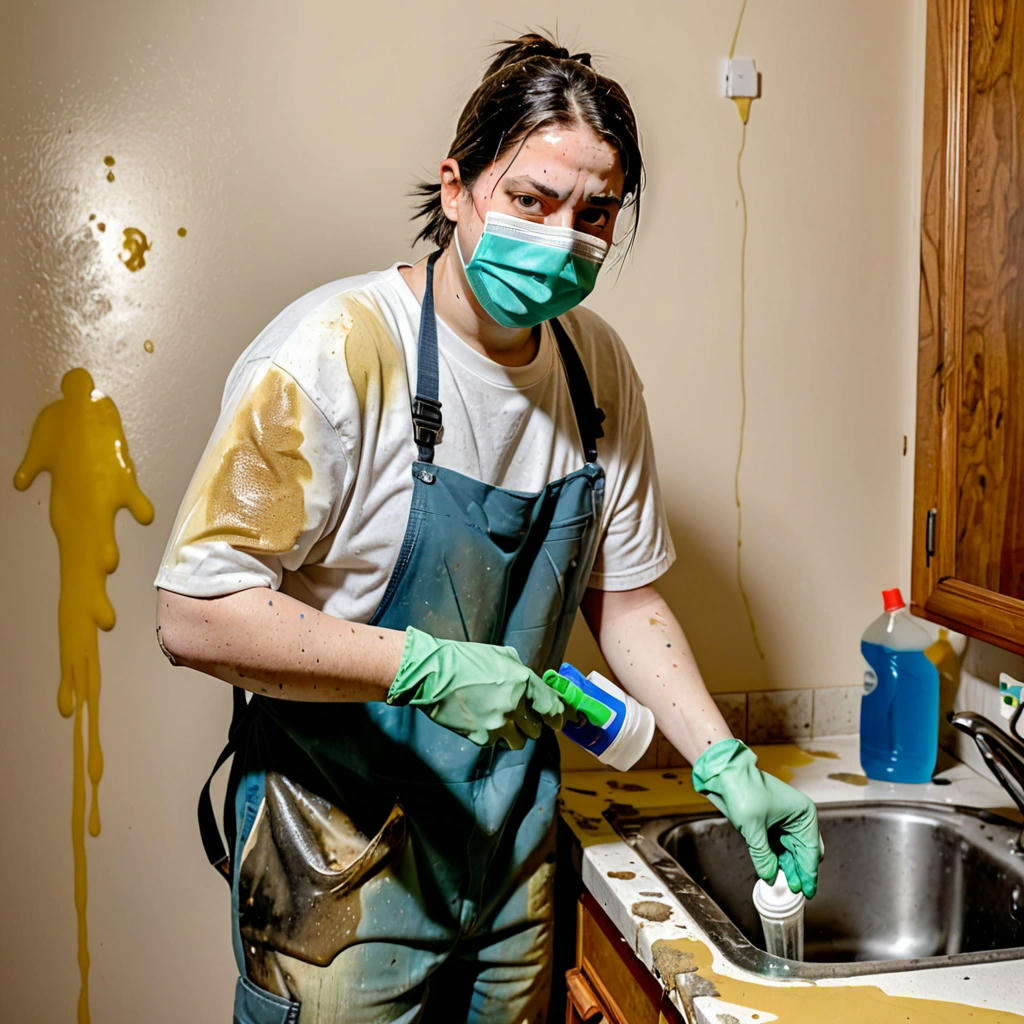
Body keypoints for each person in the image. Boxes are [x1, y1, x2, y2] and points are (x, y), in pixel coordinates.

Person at [155, 33, 820, 1024]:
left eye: (593, 214)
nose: (561, 239)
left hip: (509, 854)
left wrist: (723, 760)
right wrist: (423, 668)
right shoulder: (333, 355)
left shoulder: (594, 373)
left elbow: (625, 599)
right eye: (531, 200)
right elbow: (194, 613)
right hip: (338, 863)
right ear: (457, 187)